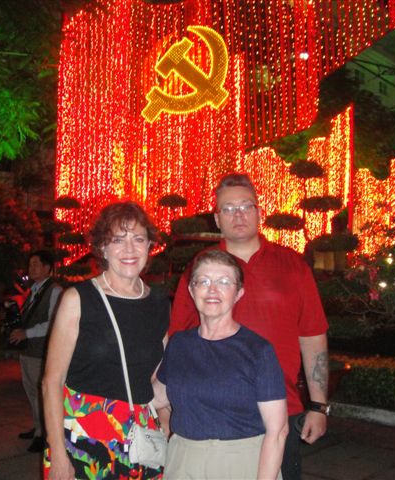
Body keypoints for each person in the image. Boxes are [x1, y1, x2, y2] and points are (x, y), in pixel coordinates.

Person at [170, 173, 330, 480]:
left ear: (259, 212)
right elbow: (177, 339)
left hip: (283, 407)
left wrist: (319, 406)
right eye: (228, 209)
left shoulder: (292, 266)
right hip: (213, 413)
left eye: (246, 206)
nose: (238, 214)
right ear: (217, 218)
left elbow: (312, 336)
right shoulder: (200, 270)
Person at [42, 201, 169, 480]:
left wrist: (167, 429)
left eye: (138, 239)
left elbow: (160, 378)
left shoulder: (159, 302)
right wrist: (58, 454)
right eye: (118, 240)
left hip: (140, 435)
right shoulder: (78, 299)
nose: (129, 249)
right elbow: (52, 381)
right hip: (84, 436)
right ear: (102, 248)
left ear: (150, 246)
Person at [153, 249, 288, 479]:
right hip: (183, 461)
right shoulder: (179, 344)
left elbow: (277, 431)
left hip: (240, 463)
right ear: (191, 290)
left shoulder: (257, 350)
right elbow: (157, 397)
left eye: (224, 282)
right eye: (203, 281)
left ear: (238, 293)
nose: (212, 289)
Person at [10, 250, 63, 452]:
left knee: (41, 394)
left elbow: (54, 322)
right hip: (28, 350)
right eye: (30, 264)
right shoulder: (34, 289)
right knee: (31, 392)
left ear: (48, 268)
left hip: (40, 351)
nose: (31, 268)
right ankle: (38, 427)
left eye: (36, 264)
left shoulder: (54, 290)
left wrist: (27, 333)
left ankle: (44, 434)